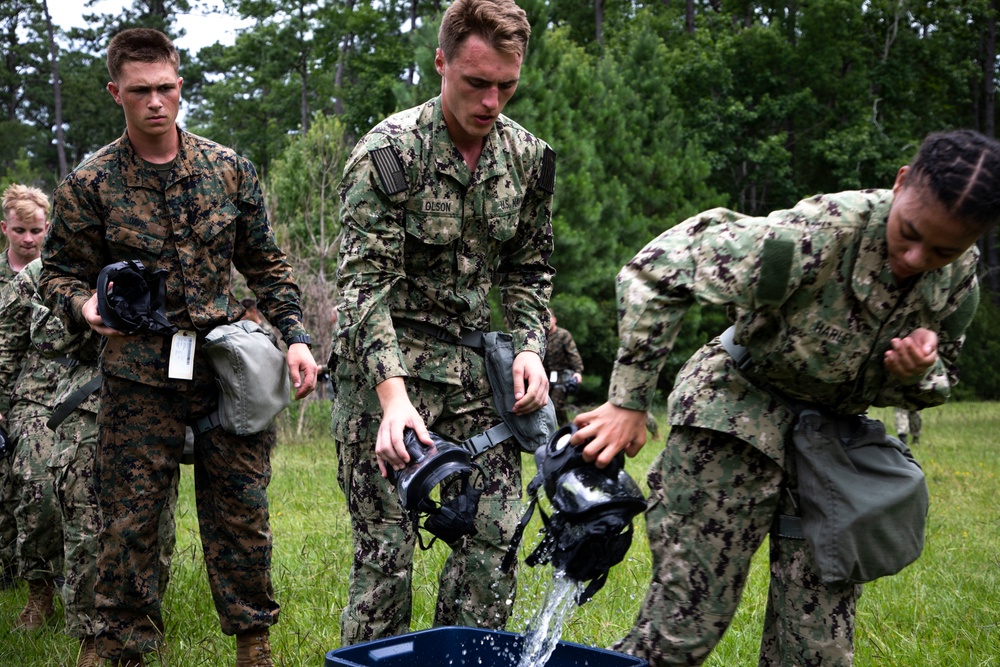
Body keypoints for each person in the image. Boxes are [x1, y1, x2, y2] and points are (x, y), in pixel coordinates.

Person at [570, 129, 1000, 666]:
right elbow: (659, 268)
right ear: (902, 182)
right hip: (732, 415)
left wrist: (919, 372)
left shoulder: (957, 281)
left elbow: (940, 381)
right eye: (909, 233)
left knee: (815, 651)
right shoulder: (814, 236)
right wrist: (629, 400)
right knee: (682, 630)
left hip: (829, 449)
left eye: (942, 250)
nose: (916, 258)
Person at [39, 28, 318, 667]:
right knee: (129, 520)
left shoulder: (228, 170)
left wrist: (296, 338)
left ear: (180, 85)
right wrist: (84, 306)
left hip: (224, 369)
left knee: (241, 515)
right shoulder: (92, 182)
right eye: (141, 91)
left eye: (166, 87)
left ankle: (254, 642)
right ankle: (119, 645)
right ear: (117, 93)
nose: (156, 102)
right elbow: (57, 271)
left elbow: (267, 265)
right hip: (138, 373)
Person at [331, 0, 555, 646]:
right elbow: (363, 289)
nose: (491, 101)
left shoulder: (528, 161)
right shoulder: (389, 155)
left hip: (472, 378)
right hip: (386, 377)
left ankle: (466, 663)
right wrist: (392, 400)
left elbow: (530, 270)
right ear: (440, 62)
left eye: (506, 86)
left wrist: (532, 349)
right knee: (385, 559)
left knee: (493, 546)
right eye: (475, 83)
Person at [0, 184, 50, 590]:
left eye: (35, 230)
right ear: (5, 229)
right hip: (4, 387)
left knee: (37, 482)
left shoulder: (58, 275)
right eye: (20, 231)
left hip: (43, 391)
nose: (28, 239)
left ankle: (45, 577)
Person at [544, 308, 584, 425]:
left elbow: (573, 354)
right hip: (545, 376)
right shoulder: (540, 336)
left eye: (549, 318)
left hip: (561, 376)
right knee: (543, 407)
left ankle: (566, 432)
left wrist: (578, 372)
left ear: (554, 320)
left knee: (557, 406)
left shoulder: (563, 335)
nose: (547, 322)